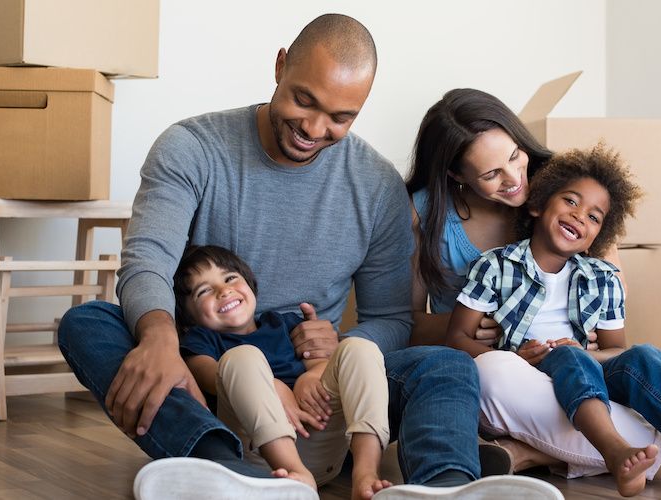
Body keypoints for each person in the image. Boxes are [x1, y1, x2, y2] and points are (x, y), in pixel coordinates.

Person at [57, 14, 561, 500]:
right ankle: (223, 466)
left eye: (341, 118)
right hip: (207, 373)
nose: (315, 128)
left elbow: (388, 317)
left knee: (447, 366)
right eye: (304, 100)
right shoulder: (191, 148)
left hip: (322, 398)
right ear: (280, 67)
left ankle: (443, 487)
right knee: (89, 323)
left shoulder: (377, 186)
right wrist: (160, 338)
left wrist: (335, 352)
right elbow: (148, 258)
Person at [405, 88, 661, 492]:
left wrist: (586, 353)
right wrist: (492, 335)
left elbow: (615, 344)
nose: (517, 180)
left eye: (515, 156)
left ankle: (529, 453)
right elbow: (408, 325)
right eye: (491, 174)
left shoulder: (572, 190)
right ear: (457, 175)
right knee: (495, 372)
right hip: (510, 376)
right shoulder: (457, 236)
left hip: (588, 373)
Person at [172, 245, 391, 499]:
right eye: (205, 291)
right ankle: (296, 475)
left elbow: (319, 361)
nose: (224, 290)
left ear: (250, 284)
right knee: (241, 358)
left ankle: (365, 473)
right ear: (188, 317)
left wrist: (311, 375)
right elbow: (209, 376)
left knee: (359, 347)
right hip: (264, 456)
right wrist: (273, 386)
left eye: (230, 277)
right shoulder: (202, 341)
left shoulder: (283, 323)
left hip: (320, 434)